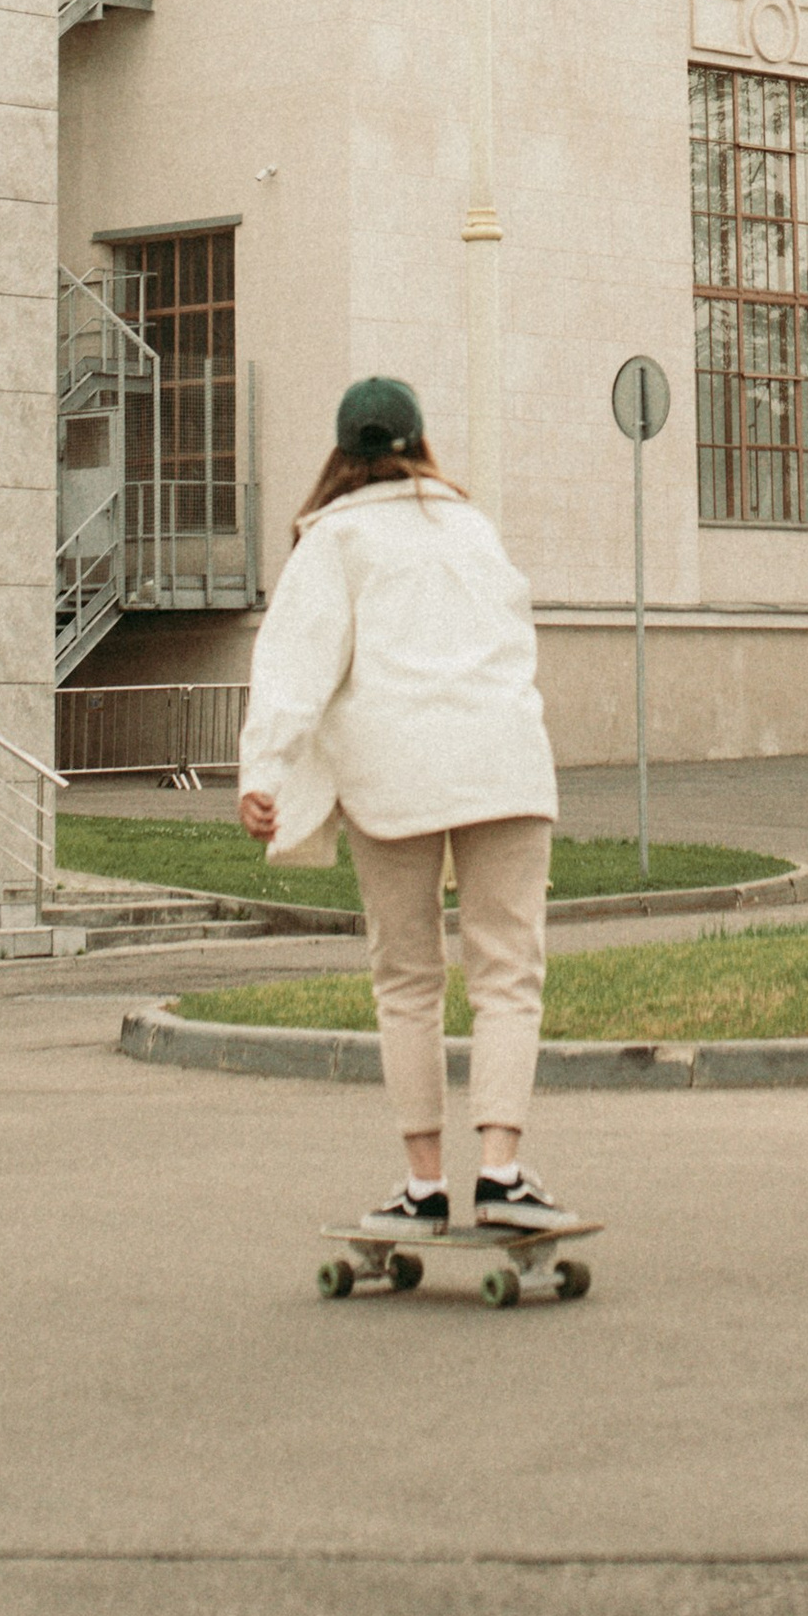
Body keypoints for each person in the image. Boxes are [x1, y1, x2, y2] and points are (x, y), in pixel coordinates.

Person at [236, 375, 568, 1236]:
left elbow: (293, 665)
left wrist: (263, 774)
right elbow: (515, 638)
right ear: (421, 443)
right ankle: (501, 1172)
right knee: (507, 973)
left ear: (342, 455)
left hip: (394, 773)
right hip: (503, 760)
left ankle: (424, 1187)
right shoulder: (474, 526)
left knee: (408, 980)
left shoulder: (332, 539)